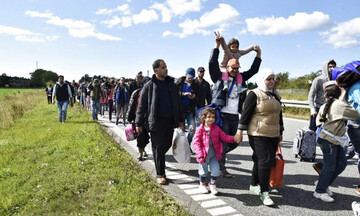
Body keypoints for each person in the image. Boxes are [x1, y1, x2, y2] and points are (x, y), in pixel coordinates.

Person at [210, 32, 262, 178]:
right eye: (233, 68)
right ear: (227, 67)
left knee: (235, 141)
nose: (235, 71)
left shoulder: (241, 79)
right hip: (223, 115)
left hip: (235, 115)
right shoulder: (219, 78)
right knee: (224, 142)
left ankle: (216, 153)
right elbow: (212, 63)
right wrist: (217, 46)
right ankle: (222, 168)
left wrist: (258, 55)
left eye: (237, 68)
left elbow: (253, 70)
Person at [237, 69, 283, 206]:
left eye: (272, 79)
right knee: (265, 161)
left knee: (259, 160)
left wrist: (281, 131)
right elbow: (245, 114)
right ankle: (264, 192)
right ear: (262, 80)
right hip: (258, 133)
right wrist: (240, 131)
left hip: (273, 134)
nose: (271, 81)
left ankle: (253, 184)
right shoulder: (254, 94)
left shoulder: (275, 95)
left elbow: (279, 115)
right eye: (268, 79)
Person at [135, 59, 183, 185]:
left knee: (165, 145)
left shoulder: (172, 85)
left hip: (170, 121)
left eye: (166, 67)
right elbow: (142, 105)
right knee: (158, 147)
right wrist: (138, 123)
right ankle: (160, 173)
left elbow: (178, 103)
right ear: (156, 70)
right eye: (163, 67)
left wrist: (181, 120)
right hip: (156, 122)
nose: (166, 69)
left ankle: (159, 159)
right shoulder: (149, 86)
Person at [314, 81, 359, 202]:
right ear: (339, 93)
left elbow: (317, 122)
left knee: (341, 164)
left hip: (328, 138)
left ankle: (323, 183)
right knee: (330, 166)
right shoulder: (339, 104)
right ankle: (320, 191)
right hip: (330, 139)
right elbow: (355, 115)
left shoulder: (325, 105)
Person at [192, 108, 241, 195]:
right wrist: (199, 153)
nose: (211, 119)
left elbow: (224, 137)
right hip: (203, 154)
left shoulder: (216, 128)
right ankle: (202, 184)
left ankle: (212, 184)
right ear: (204, 118)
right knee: (203, 171)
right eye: (208, 117)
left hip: (214, 154)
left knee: (216, 170)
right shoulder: (200, 129)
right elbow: (196, 142)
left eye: (213, 117)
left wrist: (234, 138)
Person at [332, 62, 360, 196]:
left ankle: (328, 167)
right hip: (357, 125)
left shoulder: (354, 87)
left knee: (351, 152)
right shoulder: (356, 87)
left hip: (354, 125)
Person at [308, 60, 337, 174]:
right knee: (312, 132)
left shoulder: (335, 80)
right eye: (330, 66)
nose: (332, 68)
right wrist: (312, 109)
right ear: (326, 67)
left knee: (327, 134)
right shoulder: (318, 79)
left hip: (330, 109)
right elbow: (311, 95)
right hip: (317, 108)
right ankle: (308, 152)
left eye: (334, 66)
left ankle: (327, 154)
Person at [127, 76, 151, 161]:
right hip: (138, 118)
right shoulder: (137, 93)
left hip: (149, 119)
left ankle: (143, 149)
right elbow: (131, 106)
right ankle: (140, 153)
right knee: (140, 136)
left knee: (146, 137)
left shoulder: (153, 94)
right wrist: (129, 117)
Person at [177, 67, 200, 146]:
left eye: (192, 77)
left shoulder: (195, 85)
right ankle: (181, 147)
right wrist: (183, 94)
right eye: (189, 77)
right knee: (182, 130)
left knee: (192, 129)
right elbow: (174, 94)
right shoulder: (179, 83)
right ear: (185, 74)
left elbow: (198, 99)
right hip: (180, 110)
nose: (190, 78)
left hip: (190, 110)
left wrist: (193, 97)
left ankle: (187, 144)